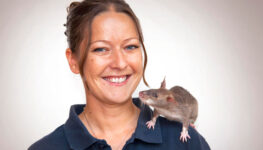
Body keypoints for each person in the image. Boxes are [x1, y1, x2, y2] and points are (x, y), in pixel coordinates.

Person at [28, 0, 210, 149]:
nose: (120, 63)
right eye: (101, 49)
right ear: (73, 61)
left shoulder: (186, 142)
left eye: (130, 46)